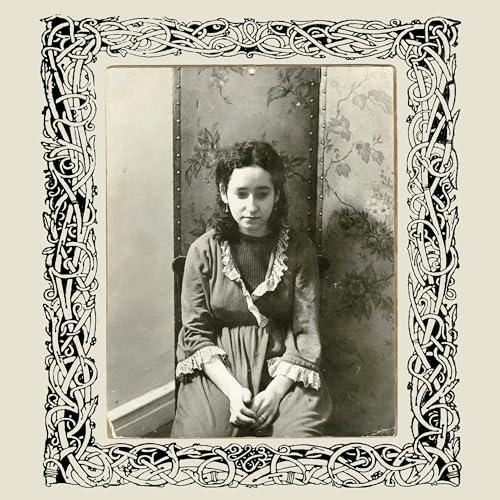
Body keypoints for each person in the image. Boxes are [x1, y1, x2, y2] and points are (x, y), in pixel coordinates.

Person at [171, 140, 332, 438]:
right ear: (224, 193)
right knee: (199, 440)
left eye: (262, 193)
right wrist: (233, 392)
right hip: (219, 367)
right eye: (241, 193)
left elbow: (306, 331)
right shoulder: (202, 251)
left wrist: (275, 393)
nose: (252, 207)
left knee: (299, 443)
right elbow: (195, 332)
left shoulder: (299, 249)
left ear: (277, 194)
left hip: (283, 365)